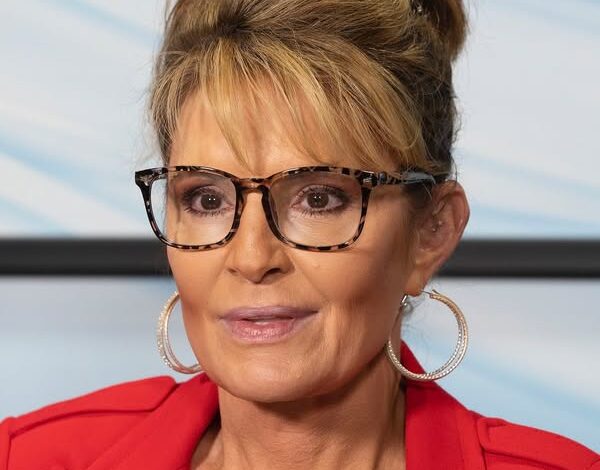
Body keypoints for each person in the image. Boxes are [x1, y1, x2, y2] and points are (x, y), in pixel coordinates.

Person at [1, 0, 598, 468]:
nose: (251, 257)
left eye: (318, 198)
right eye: (207, 199)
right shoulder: (30, 457)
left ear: (431, 232)